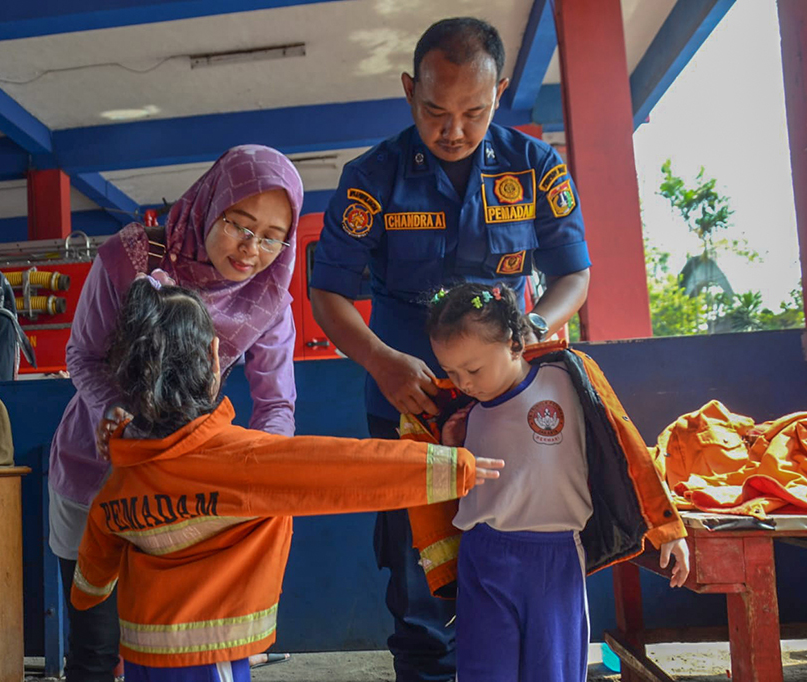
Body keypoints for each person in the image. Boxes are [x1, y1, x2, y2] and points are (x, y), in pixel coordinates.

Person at [308, 17, 591, 681]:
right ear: (410, 91)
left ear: (501, 95)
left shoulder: (535, 166)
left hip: (514, 402)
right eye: (435, 110)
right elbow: (329, 293)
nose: (454, 130)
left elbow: (574, 273)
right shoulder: (371, 178)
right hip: (410, 404)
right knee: (416, 580)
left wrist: (535, 323)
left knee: (524, 559)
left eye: (473, 111)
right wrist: (379, 359)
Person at [70, 277, 506, 682]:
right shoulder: (238, 460)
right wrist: (455, 467)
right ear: (211, 357)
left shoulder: (122, 478)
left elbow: (94, 569)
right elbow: (346, 469)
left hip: (141, 654)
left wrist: (88, 595)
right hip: (205, 657)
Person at [49, 145, 305, 681]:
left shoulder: (271, 293)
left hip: (186, 483)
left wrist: (263, 473)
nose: (252, 249)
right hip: (97, 469)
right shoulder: (132, 257)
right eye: (240, 224)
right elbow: (84, 356)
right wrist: (117, 417)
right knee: (96, 647)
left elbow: (276, 403)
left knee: (173, 643)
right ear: (214, 204)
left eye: (272, 236)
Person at [416, 282, 689, 681]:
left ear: (512, 343)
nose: (464, 383)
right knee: (482, 670)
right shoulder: (461, 413)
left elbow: (627, 448)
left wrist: (666, 526)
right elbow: (450, 488)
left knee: (553, 670)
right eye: (451, 372)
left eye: (473, 369)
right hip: (484, 554)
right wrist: (451, 449)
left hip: (555, 555)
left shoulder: (566, 378)